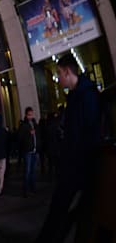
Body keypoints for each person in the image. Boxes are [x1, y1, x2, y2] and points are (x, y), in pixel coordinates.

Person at [35, 54, 101, 243]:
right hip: (71, 163)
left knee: (65, 209)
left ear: (67, 71)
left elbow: (90, 131)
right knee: (62, 209)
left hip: (79, 165)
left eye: (59, 74)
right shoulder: (74, 96)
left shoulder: (87, 95)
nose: (58, 78)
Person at [18, 107, 40, 197]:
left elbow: (38, 135)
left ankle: (33, 187)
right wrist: (28, 134)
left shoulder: (35, 124)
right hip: (28, 151)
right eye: (29, 115)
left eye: (32, 114)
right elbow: (20, 138)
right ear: (26, 115)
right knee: (27, 170)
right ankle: (26, 189)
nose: (31, 116)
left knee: (33, 171)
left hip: (34, 150)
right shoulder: (23, 125)